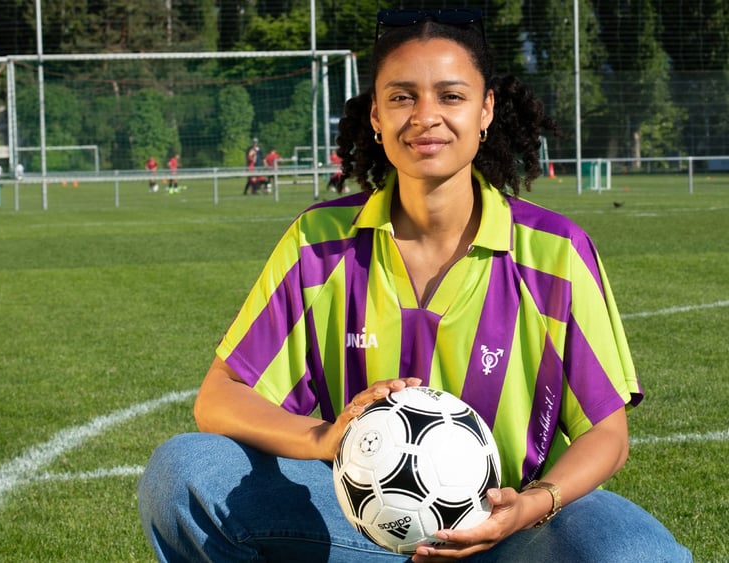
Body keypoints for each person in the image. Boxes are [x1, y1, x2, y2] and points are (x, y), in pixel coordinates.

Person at [138, 8, 691, 563]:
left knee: (634, 549)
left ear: (485, 110)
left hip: (513, 529)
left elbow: (606, 434)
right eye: (402, 97)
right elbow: (219, 395)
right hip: (356, 529)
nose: (426, 116)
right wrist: (322, 439)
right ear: (375, 114)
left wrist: (530, 506)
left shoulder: (554, 251)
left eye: (451, 96)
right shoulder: (320, 241)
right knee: (183, 472)